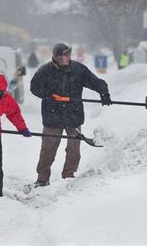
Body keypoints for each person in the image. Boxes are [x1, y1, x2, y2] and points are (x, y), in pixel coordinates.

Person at [30, 43, 112, 188]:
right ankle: (42, 178)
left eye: (67, 55)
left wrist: (103, 92)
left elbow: (95, 82)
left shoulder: (78, 70)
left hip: (73, 115)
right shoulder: (45, 71)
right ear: (55, 57)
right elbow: (34, 87)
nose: (65, 58)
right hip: (52, 116)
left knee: (74, 149)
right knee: (48, 148)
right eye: (61, 56)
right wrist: (49, 95)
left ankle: (68, 175)